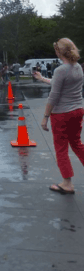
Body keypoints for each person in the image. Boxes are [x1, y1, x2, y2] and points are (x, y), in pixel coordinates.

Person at [34, 38, 84, 195]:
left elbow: (54, 97)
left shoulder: (61, 70)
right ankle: (67, 182)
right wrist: (42, 79)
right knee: (76, 143)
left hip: (62, 114)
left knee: (61, 148)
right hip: (78, 110)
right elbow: (60, 84)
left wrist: (45, 117)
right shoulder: (77, 68)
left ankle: (67, 184)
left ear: (58, 51)